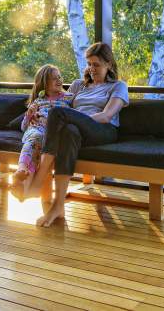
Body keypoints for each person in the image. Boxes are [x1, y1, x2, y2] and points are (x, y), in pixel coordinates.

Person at [31, 42, 129, 227]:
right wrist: (36, 111)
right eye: (89, 64)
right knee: (69, 132)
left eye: (97, 64)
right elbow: (60, 104)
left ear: (109, 64)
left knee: (61, 117)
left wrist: (76, 118)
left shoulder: (118, 86)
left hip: (103, 130)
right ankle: (58, 207)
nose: (91, 69)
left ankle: (39, 177)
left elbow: (106, 116)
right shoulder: (78, 85)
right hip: (77, 130)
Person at [13, 65, 73, 198]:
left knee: (36, 151)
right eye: (54, 78)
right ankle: (21, 170)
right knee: (35, 141)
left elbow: (73, 117)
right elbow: (23, 127)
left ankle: (24, 189)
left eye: (59, 77)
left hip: (52, 134)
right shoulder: (38, 101)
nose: (59, 80)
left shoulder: (68, 98)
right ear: (44, 83)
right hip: (36, 131)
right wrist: (29, 114)